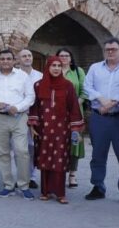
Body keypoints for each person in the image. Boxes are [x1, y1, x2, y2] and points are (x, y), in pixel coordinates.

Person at [83, 37, 119, 204]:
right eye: (108, 49)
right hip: (99, 118)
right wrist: (101, 99)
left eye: (114, 49)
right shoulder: (95, 68)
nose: (110, 52)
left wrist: (113, 102)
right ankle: (98, 186)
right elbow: (87, 86)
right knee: (98, 154)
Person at [28, 57, 84, 204]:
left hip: (62, 129)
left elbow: (73, 108)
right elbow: (34, 107)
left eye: (59, 65)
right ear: (48, 67)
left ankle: (60, 193)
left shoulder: (68, 86)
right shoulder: (39, 85)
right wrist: (33, 126)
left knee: (59, 159)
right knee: (45, 158)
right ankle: (45, 191)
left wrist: (75, 129)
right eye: (53, 65)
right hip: (44, 129)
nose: (56, 68)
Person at [0, 49, 36, 198]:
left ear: (14, 61)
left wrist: (17, 108)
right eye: (2, 59)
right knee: (2, 152)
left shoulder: (22, 76)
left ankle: (24, 185)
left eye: (8, 59)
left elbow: (30, 97)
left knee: (22, 151)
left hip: (19, 117)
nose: (5, 61)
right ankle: (8, 185)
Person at [56, 48, 87, 188]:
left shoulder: (78, 71)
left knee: (75, 142)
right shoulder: (54, 70)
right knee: (59, 143)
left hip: (75, 114)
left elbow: (84, 91)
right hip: (57, 114)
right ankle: (60, 172)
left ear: (71, 57)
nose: (63, 58)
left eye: (66, 55)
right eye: (61, 56)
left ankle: (72, 174)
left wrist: (75, 106)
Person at [16, 49, 43, 189]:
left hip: (36, 116)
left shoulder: (40, 76)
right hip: (18, 115)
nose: (27, 58)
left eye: (29, 55)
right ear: (18, 60)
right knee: (19, 148)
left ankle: (31, 177)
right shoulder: (14, 76)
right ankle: (21, 176)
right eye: (24, 56)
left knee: (32, 147)